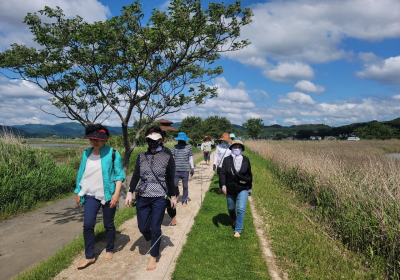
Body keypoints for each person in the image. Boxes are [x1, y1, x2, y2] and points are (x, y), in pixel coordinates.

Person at [125, 129, 178, 270]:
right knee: (142, 227)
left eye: (155, 140)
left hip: (159, 197)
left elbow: (170, 178)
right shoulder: (141, 156)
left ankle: (153, 256)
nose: (152, 143)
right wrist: (130, 192)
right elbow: (136, 176)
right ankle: (154, 237)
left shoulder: (167, 156)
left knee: (155, 228)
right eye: (149, 140)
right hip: (143, 195)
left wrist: (173, 196)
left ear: (160, 140)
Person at [75, 124, 125, 269]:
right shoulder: (86, 153)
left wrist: (116, 195)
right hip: (90, 194)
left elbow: (119, 176)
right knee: (88, 225)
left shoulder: (113, 153)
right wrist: (79, 192)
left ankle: (109, 248)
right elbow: (82, 174)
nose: (94, 142)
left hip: (108, 194)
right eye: (92, 139)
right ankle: (89, 256)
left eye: (98, 139)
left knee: (108, 224)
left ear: (105, 140)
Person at [145, 126, 179, 226]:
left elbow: (171, 172)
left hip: (165, 183)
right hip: (151, 185)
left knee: (169, 203)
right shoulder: (146, 153)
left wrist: (172, 189)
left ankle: (172, 216)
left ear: (161, 138)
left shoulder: (167, 152)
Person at [220, 139, 252, 238]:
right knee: (231, 207)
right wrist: (223, 185)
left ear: (242, 148)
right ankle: (234, 218)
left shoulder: (246, 160)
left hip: (243, 187)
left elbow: (249, 175)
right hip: (230, 187)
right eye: (235, 147)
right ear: (232, 148)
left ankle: (238, 230)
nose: (237, 149)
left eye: (239, 147)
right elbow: (222, 174)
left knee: (241, 209)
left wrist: (249, 188)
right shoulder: (226, 159)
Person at [171, 132, 194, 207]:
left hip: (185, 169)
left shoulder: (189, 147)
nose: (180, 141)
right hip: (176, 169)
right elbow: (171, 157)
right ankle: (177, 194)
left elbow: (190, 158)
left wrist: (192, 167)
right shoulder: (174, 147)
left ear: (185, 140)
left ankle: (184, 200)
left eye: (182, 140)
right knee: (174, 184)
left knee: (185, 186)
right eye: (179, 140)